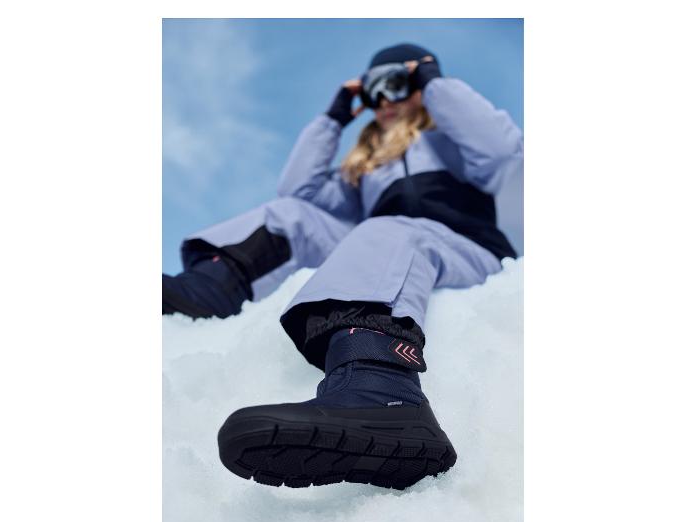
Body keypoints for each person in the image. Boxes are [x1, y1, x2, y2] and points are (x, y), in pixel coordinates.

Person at [163, 43, 523, 490]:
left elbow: (502, 149)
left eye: (396, 85)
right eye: (375, 92)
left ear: (419, 86)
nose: (386, 101)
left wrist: (434, 84)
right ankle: (211, 284)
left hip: (462, 247)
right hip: (390, 247)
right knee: (292, 215)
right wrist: (333, 119)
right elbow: (297, 191)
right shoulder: (369, 167)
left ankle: (384, 391)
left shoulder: (452, 140)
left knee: (393, 229)